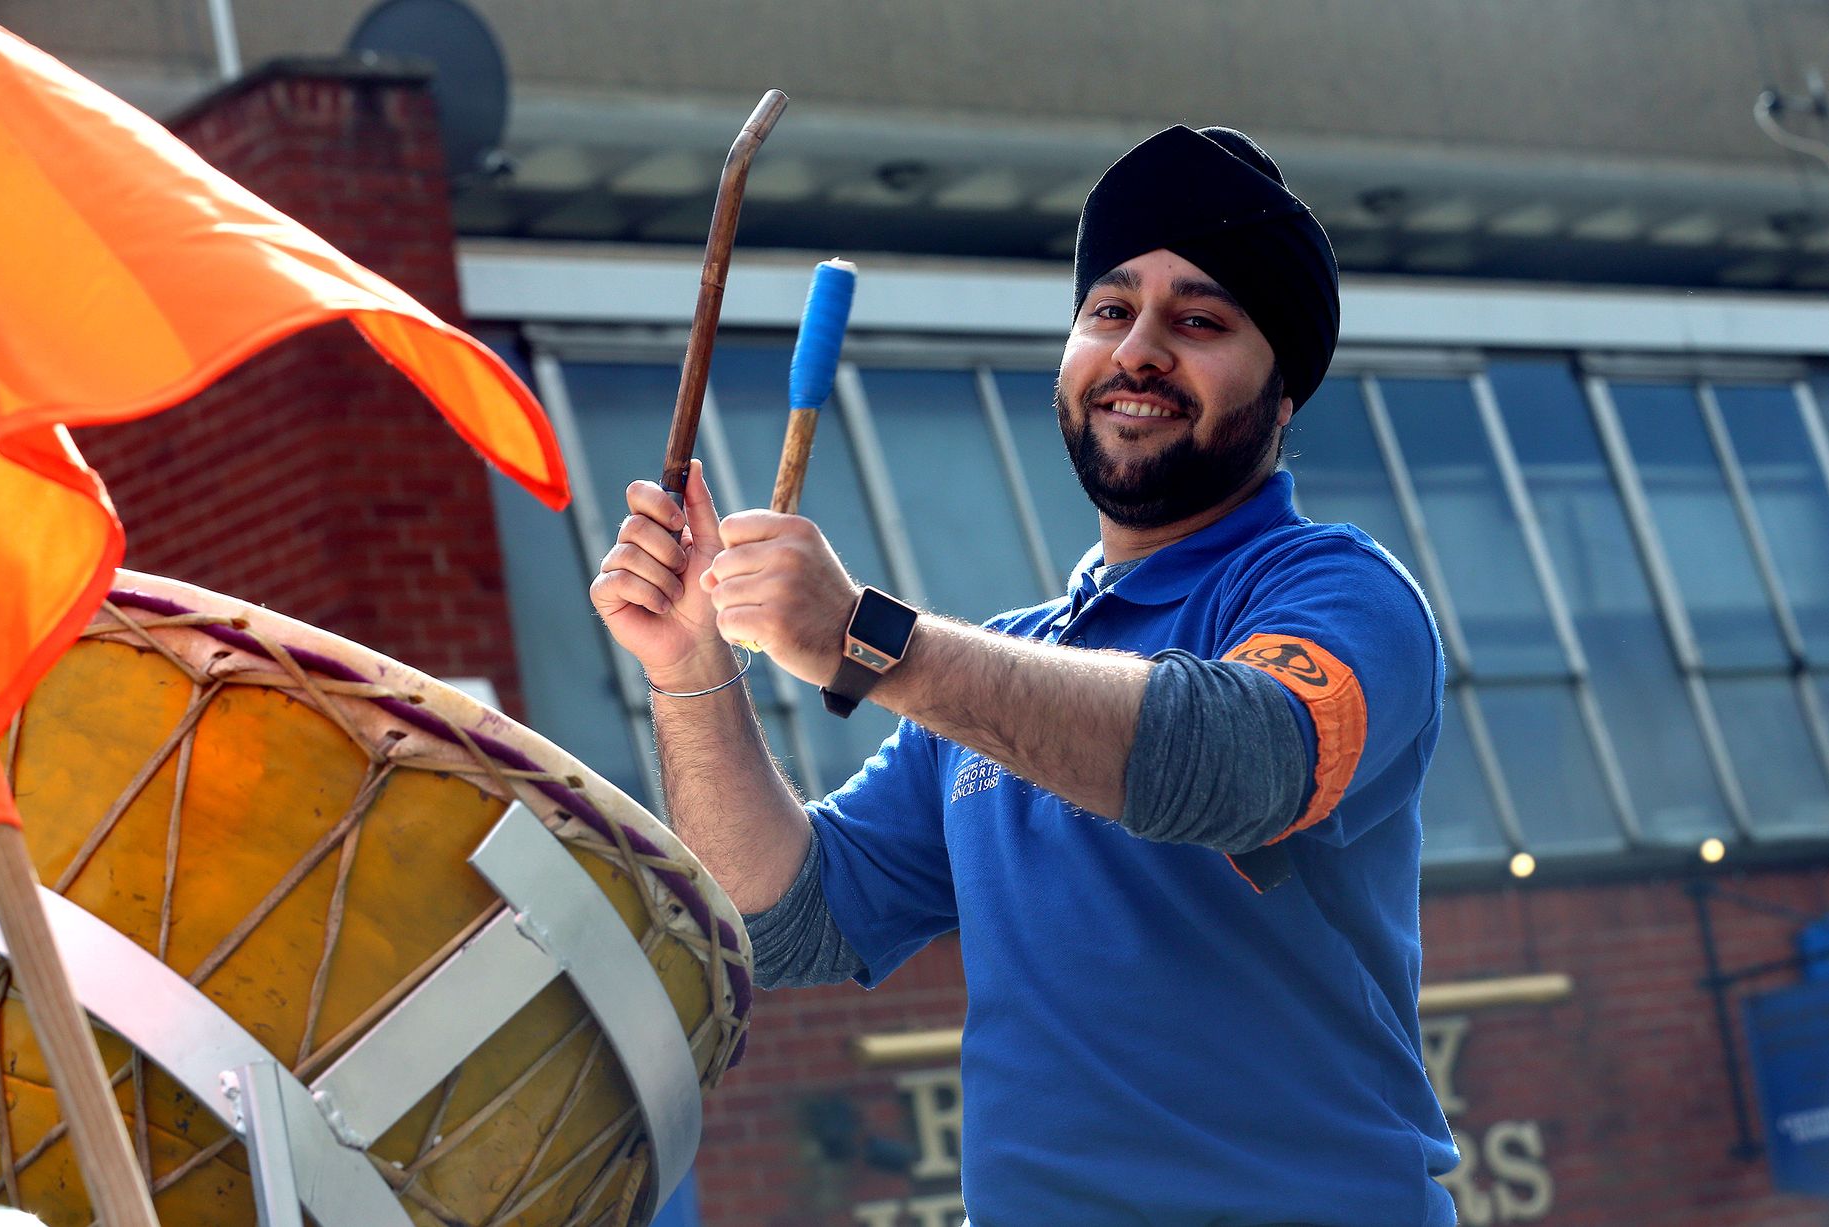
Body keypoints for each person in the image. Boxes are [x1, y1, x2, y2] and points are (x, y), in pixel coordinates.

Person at [592, 124, 1458, 1226]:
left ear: (1283, 394)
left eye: (1198, 320)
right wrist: (688, 671)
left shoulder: (1340, 593)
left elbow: (1231, 761)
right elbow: (794, 921)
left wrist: (871, 638)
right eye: (1108, 311)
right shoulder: (998, 667)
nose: (1138, 349)